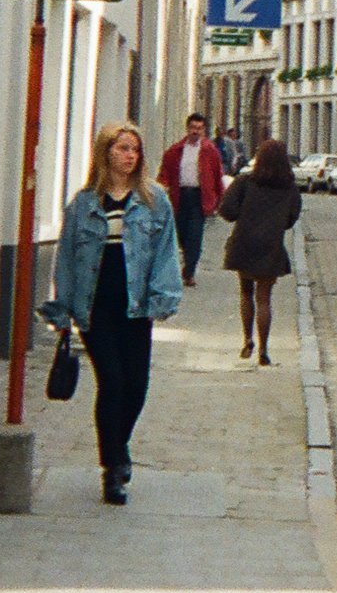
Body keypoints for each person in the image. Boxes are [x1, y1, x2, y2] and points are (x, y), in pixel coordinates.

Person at [40, 122, 182, 505]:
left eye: (134, 149)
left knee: (137, 385)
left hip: (135, 307)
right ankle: (113, 467)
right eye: (122, 148)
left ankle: (119, 447)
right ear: (106, 153)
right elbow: (66, 258)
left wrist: (164, 296)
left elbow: (165, 252)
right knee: (113, 382)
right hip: (96, 306)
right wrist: (63, 308)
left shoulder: (154, 200)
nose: (130, 155)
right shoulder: (84, 204)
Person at [219, 138, 302, 364]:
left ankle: (247, 339)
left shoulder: (245, 182)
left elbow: (226, 210)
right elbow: (292, 218)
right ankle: (264, 349)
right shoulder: (290, 188)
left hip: (244, 243)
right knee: (264, 298)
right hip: (271, 246)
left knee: (246, 292)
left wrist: (244, 215)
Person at [159, 114, 227, 287]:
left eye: (199, 128)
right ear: (187, 128)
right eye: (193, 128)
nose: (195, 131)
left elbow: (217, 176)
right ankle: (186, 259)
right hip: (180, 196)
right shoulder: (176, 150)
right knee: (181, 232)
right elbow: (165, 172)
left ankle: (189, 273)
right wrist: (162, 186)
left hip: (199, 197)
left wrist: (220, 199)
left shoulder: (210, 151)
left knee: (195, 236)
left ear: (203, 130)